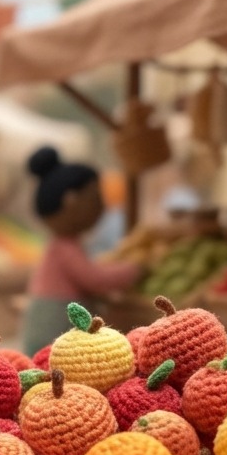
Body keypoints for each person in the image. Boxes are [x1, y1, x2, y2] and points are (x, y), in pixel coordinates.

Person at [21, 147, 141, 355]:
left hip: (48, 317)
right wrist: (134, 269)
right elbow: (94, 279)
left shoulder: (64, 245)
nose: (101, 207)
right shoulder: (65, 248)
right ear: (72, 200)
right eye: (95, 199)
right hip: (54, 319)